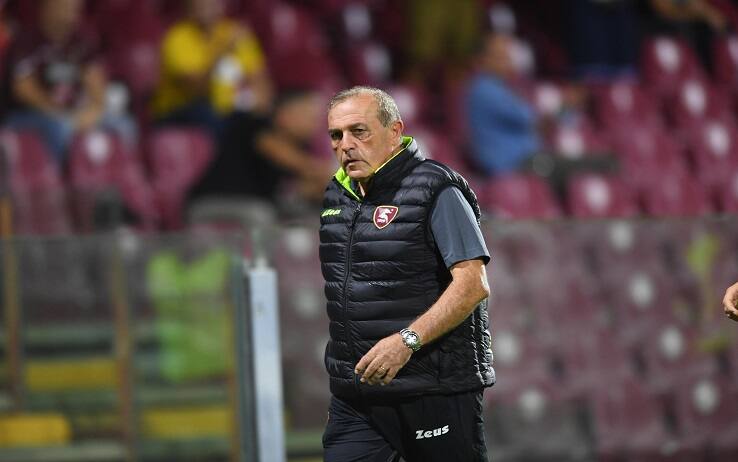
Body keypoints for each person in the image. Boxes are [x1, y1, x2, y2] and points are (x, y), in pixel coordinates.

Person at [320, 86, 494, 461]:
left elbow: (472, 284)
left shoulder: (436, 188)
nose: (345, 144)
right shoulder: (337, 197)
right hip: (357, 395)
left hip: (432, 390)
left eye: (358, 131)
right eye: (337, 135)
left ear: (395, 132)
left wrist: (406, 341)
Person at [3, 0, 137, 163]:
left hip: (74, 112)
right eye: (64, 7)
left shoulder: (81, 43)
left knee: (124, 124)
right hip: (31, 114)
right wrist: (58, 112)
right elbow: (23, 89)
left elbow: (96, 82)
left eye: (74, 8)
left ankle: (123, 175)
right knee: (61, 127)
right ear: (47, 8)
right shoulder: (26, 42)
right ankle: (63, 181)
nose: (70, 13)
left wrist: (94, 110)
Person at [186, 88, 332, 224]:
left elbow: (297, 190)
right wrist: (325, 170)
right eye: (308, 116)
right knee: (262, 215)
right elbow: (276, 150)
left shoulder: (302, 147)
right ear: (284, 114)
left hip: (257, 205)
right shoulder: (256, 124)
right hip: (213, 202)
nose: (314, 124)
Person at [151, 0, 272, 136]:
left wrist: (262, 102)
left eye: (211, 3)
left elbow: (259, 77)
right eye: (200, 4)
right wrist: (223, 51)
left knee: (264, 121)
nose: (206, 8)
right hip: (180, 109)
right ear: (189, 9)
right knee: (211, 115)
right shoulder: (177, 38)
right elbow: (197, 88)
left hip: (229, 107)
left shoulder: (234, 32)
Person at [466, 32, 541, 176]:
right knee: (579, 167)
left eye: (507, 56)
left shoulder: (501, 86)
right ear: (484, 60)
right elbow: (528, 117)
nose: (507, 61)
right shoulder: (483, 88)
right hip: (509, 164)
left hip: (527, 161)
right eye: (500, 57)